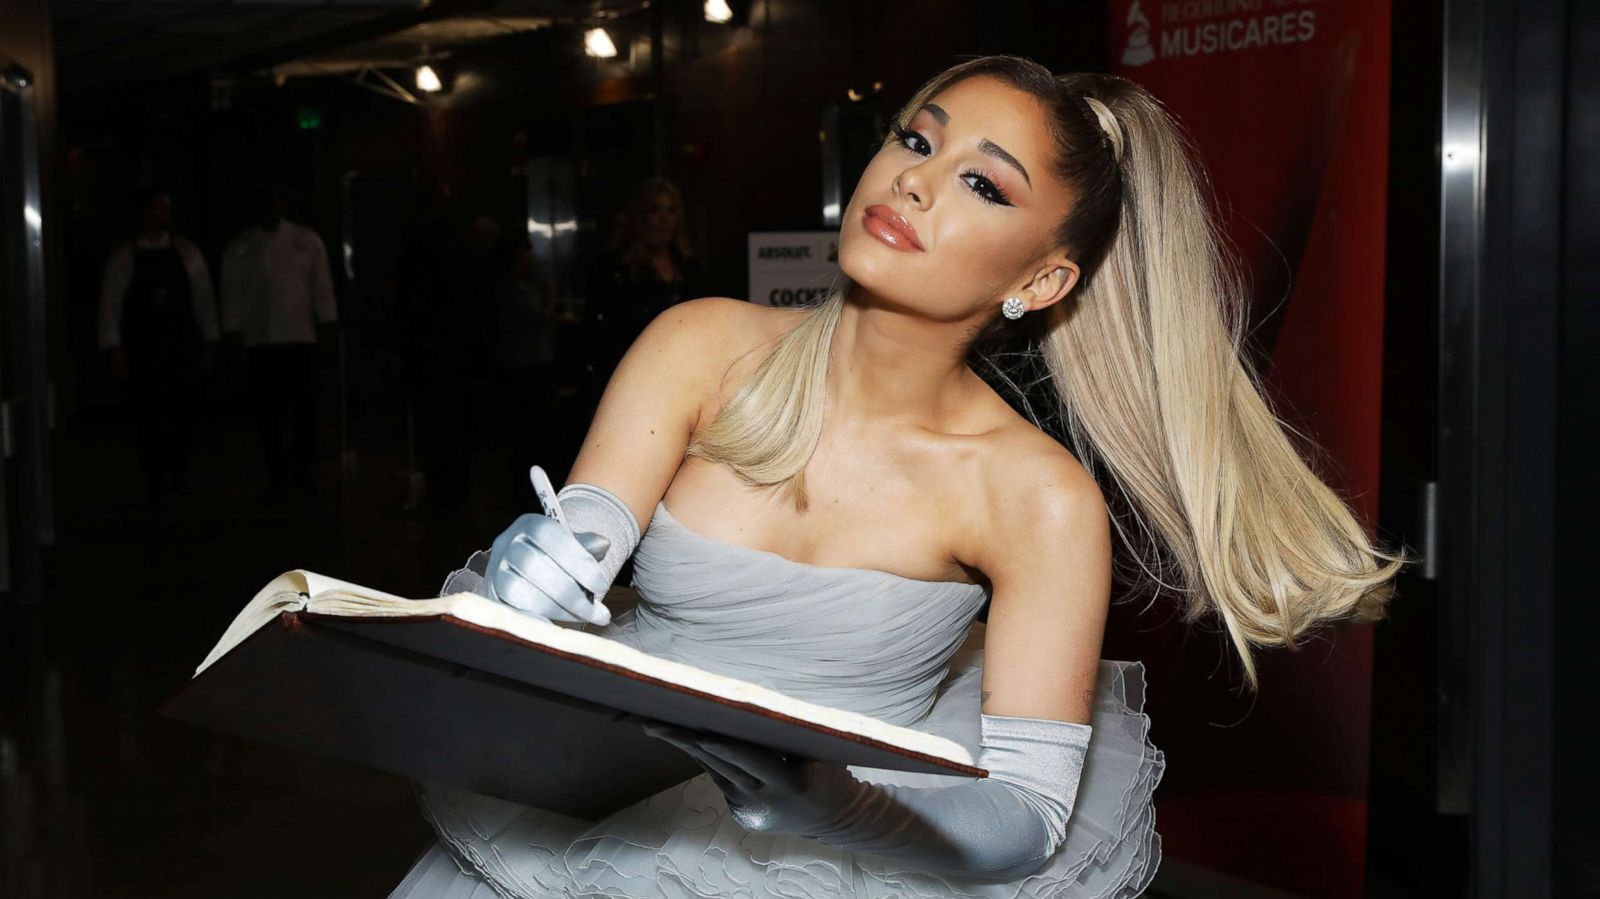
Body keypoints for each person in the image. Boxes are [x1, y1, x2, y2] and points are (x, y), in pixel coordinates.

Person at [388, 56, 1404, 898]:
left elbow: (1031, 814)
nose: (914, 179)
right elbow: (591, 528)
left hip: (855, 860)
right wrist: (538, 578)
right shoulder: (701, 344)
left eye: (982, 182)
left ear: (1040, 279)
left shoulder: (1034, 496)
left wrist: (842, 805)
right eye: (917, 140)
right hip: (603, 814)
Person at [97, 188, 219, 504]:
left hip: (181, 347)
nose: (162, 216)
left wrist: (210, 340)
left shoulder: (188, 252)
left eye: (167, 209)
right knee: (148, 420)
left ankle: (179, 475)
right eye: (157, 209)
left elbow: (203, 300)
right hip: (144, 351)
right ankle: (156, 481)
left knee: (186, 417)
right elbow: (110, 306)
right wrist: (115, 349)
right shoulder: (124, 257)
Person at [219, 187, 338, 500]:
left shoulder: (306, 240)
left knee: (304, 410)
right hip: (261, 342)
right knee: (268, 414)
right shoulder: (241, 247)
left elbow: (322, 288)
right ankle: (276, 471)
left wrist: (327, 325)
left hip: (300, 338)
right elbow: (231, 296)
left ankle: (303, 468)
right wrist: (232, 333)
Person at [580, 177, 705, 404]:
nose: (664, 219)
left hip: (685, 380)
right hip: (628, 383)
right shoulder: (613, 267)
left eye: (671, 211)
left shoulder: (689, 266)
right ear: (639, 217)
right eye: (655, 210)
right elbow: (600, 336)